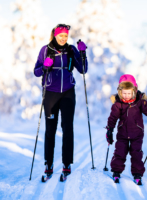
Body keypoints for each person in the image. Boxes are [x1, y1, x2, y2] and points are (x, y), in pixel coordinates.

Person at [34, 24, 88, 177]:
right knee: (50, 129)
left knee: (67, 128)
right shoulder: (45, 50)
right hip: (50, 93)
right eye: (61, 36)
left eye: (66, 36)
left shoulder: (72, 50)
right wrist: (44, 67)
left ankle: (66, 163)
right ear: (55, 35)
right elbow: (36, 72)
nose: (64, 38)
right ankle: (49, 163)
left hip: (68, 93)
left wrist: (83, 54)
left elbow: (83, 69)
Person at [106, 74, 147, 185]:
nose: (126, 96)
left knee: (136, 154)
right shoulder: (118, 103)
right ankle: (116, 172)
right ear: (120, 92)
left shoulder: (139, 102)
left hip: (137, 134)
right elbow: (113, 117)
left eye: (129, 93)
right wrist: (110, 129)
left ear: (134, 91)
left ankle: (137, 174)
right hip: (122, 133)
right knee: (120, 152)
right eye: (124, 93)